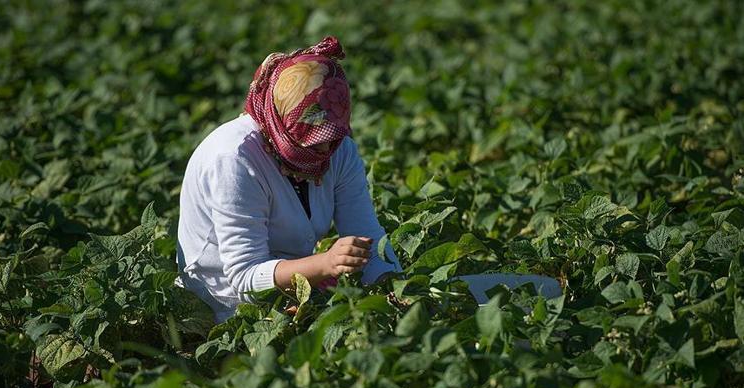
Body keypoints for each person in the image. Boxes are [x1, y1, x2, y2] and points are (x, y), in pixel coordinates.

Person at [175, 36, 561, 324]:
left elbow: (369, 237)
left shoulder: (339, 150)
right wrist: (324, 265)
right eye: (312, 143)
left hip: (303, 290)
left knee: (525, 298)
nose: (323, 155)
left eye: (330, 141)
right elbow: (243, 278)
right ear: (279, 124)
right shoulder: (235, 160)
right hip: (227, 309)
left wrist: (399, 293)